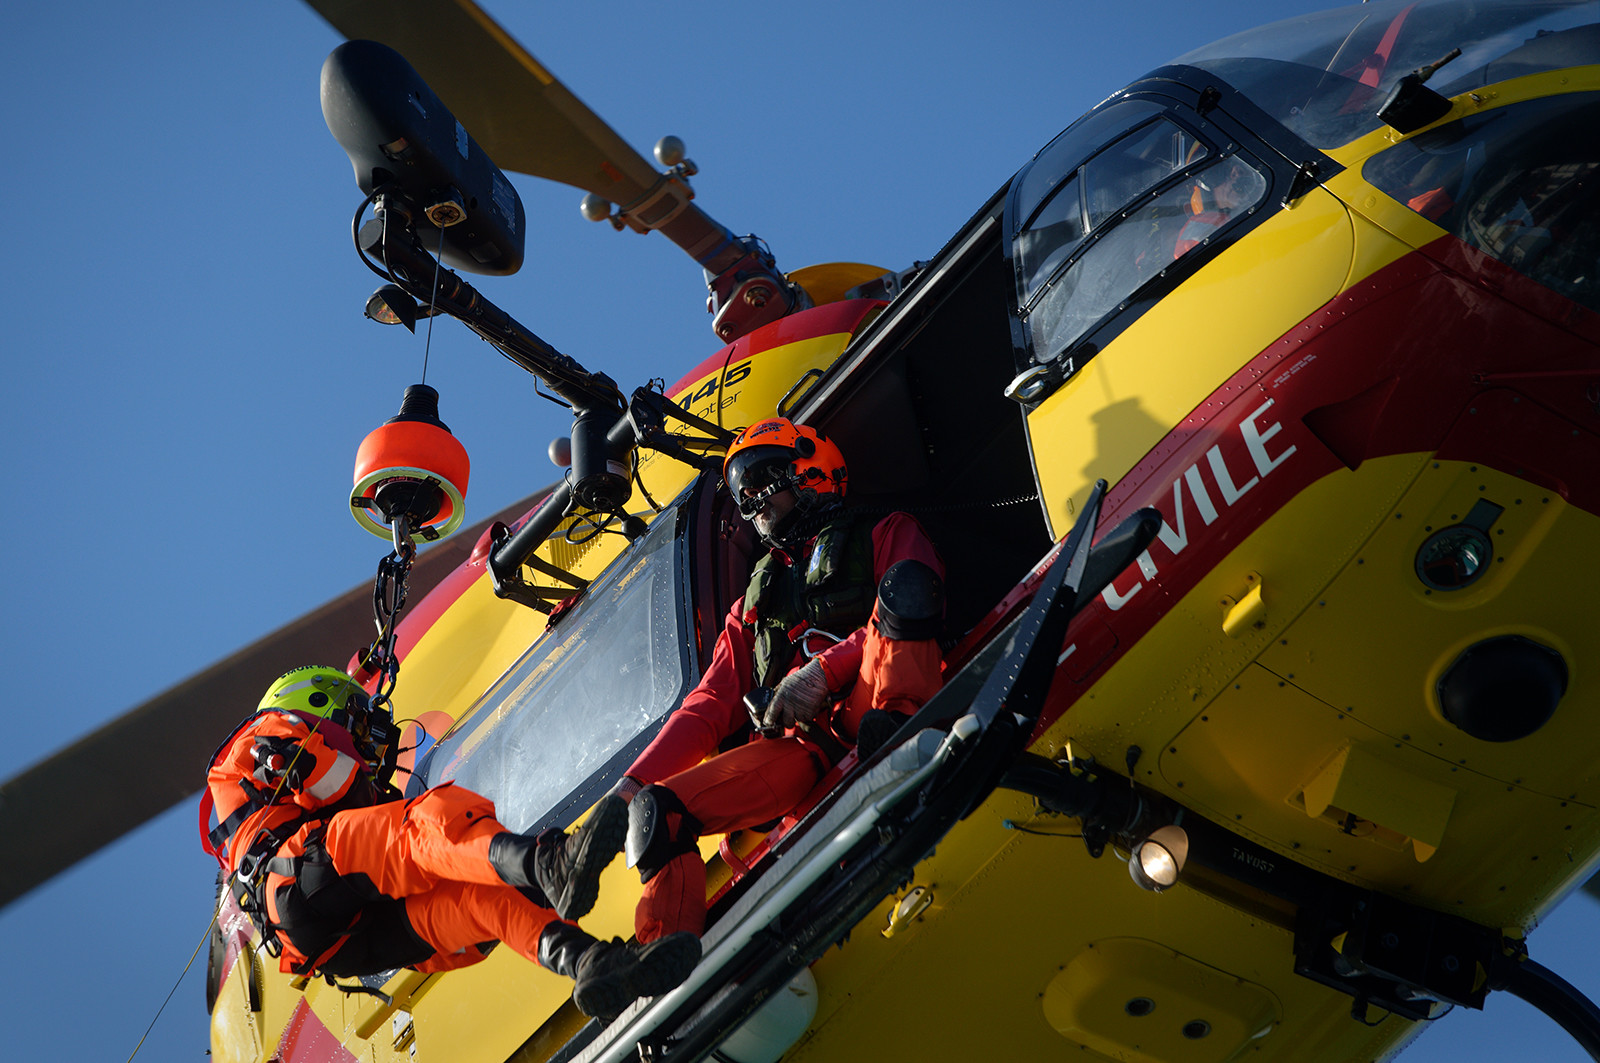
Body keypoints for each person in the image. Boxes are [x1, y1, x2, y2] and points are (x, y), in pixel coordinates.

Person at [565, 417, 947, 943]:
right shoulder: (750, 605)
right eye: (743, 496)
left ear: (808, 471)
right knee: (661, 814)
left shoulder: (885, 532)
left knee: (904, 592)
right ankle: (660, 962)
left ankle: (904, 742)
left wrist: (824, 671)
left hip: (879, 709)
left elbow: (914, 605)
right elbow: (708, 703)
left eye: (762, 483)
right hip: (798, 751)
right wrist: (626, 791)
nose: (754, 504)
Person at [202, 665, 699, 1021]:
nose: (374, 749)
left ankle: (591, 964)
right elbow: (338, 783)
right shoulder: (265, 732)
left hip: (343, 943)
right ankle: (550, 863)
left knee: (482, 903)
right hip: (297, 876)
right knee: (426, 821)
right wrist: (370, 788)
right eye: (363, 726)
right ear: (317, 704)